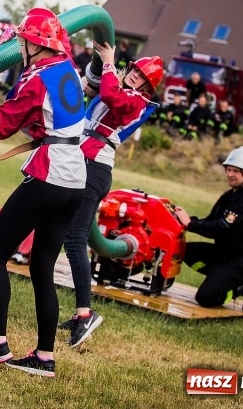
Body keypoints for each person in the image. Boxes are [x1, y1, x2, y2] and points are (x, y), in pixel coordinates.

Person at [0, 7, 86, 378]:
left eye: (22, 40)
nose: (18, 45)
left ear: (33, 43)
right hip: (75, 178)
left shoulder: (37, 78)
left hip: (49, 175)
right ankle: (44, 356)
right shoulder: (68, 68)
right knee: (42, 266)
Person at [62, 45, 162, 348]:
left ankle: (85, 313)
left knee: (76, 239)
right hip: (83, 161)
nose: (134, 78)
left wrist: (108, 64)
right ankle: (80, 311)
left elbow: (110, 96)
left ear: (148, 87)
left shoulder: (136, 100)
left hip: (95, 168)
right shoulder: (117, 85)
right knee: (68, 236)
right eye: (134, 71)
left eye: (141, 77)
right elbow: (96, 89)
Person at [174, 146, 243, 312]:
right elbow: (212, 221)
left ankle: (242, 287)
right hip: (224, 254)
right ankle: (219, 278)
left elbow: (222, 228)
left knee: (206, 298)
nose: (230, 174)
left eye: (236, 171)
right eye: (228, 170)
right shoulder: (231, 195)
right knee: (181, 249)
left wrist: (191, 224)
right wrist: (183, 220)